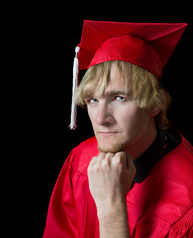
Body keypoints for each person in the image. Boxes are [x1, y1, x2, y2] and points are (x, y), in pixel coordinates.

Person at [43, 20, 193, 238]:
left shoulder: (186, 207)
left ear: (156, 103)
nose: (101, 118)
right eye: (93, 100)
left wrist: (111, 211)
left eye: (119, 98)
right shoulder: (80, 160)